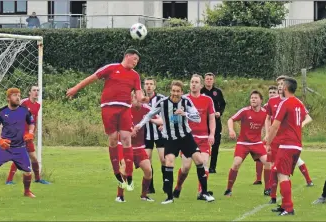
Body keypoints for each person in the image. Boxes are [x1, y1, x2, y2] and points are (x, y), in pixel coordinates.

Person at [66, 49, 148, 194]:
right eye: (134, 59)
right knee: (113, 140)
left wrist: (142, 99)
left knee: (126, 139)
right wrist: (75, 89)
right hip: (109, 108)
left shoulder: (135, 75)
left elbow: (139, 93)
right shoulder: (111, 68)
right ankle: (117, 173)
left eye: (137, 61)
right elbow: (91, 78)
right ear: (127, 56)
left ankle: (128, 175)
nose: (136, 62)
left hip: (125, 109)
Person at [133, 80, 215, 204]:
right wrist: (139, 125)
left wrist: (185, 113)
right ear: (170, 90)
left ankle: (204, 192)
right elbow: (149, 115)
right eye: (173, 91)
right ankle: (169, 197)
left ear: (182, 92)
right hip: (170, 138)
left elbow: (197, 118)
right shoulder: (163, 103)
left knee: (199, 161)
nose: (175, 93)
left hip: (185, 137)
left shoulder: (186, 101)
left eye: (178, 91)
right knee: (169, 162)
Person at [264, 77, 313, 203]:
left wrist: (267, 142)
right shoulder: (296, 101)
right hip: (295, 143)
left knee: (281, 173)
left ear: (285, 87)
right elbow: (268, 119)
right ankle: (277, 199)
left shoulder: (284, 103)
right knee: (279, 171)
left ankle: (287, 206)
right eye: (278, 84)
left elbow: (275, 126)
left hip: (285, 143)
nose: (280, 86)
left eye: (282, 84)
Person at [174, 74, 216, 200]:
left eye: (196, 82)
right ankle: (178, 186)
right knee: (186, 167)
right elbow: (175, 116)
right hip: (188, 137)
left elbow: (211, 118)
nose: (193, 84)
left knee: (203, 163)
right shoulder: (183, 99)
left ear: (201, 85)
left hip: (203, 138)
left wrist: (212, 134)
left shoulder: (208, 100)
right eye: (192, 82)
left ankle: (202, 192)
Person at [224, 91, 270, 197]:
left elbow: (269, 123)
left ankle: (268, 189)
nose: (253, 99)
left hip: (257, 143)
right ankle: (228, 189)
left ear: (261, 100)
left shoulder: (264, 113)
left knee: (268, 162)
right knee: (236, 163)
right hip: (243, 143)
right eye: (252, 98)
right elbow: (231, 119)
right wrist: (231, 130)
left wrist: (267, 134)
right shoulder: (245, 111)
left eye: (255, 98)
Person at [5, 86, 50, 185]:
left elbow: (34, 120)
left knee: (33, 157)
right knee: (20, 156)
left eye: (38, 90)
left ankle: (38, 179)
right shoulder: (24, 102)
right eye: (34, 90)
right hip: (20, 133)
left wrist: (33, 132)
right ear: (29, 92)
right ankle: (9, 180)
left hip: (28, 135)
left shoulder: (38, 105)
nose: (36, 92)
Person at [143, 77, 166, 194]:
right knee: (147, 160)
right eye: (146, 84)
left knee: (163, 159)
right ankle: (150, 187)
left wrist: (164, 124)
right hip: (146, 134)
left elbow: (168, 113)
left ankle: (166, 184)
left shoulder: (161, 99)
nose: (148, 86)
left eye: (151, 84)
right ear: (144, 86)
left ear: (155, 86)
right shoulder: (141, 99)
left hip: (160, 133)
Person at [200, 72, 226, 174]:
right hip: (204, 122)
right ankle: (202, 165)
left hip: (216, 121)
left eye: (211, 79)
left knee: (215, 144)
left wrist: (220, 112)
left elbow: (223, 104)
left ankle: (212, 167)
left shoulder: (217, 92)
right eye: (207, 79)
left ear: (213, 80)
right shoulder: (201, 91)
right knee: (203, 144)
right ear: (204, 80)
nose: (209, 80)